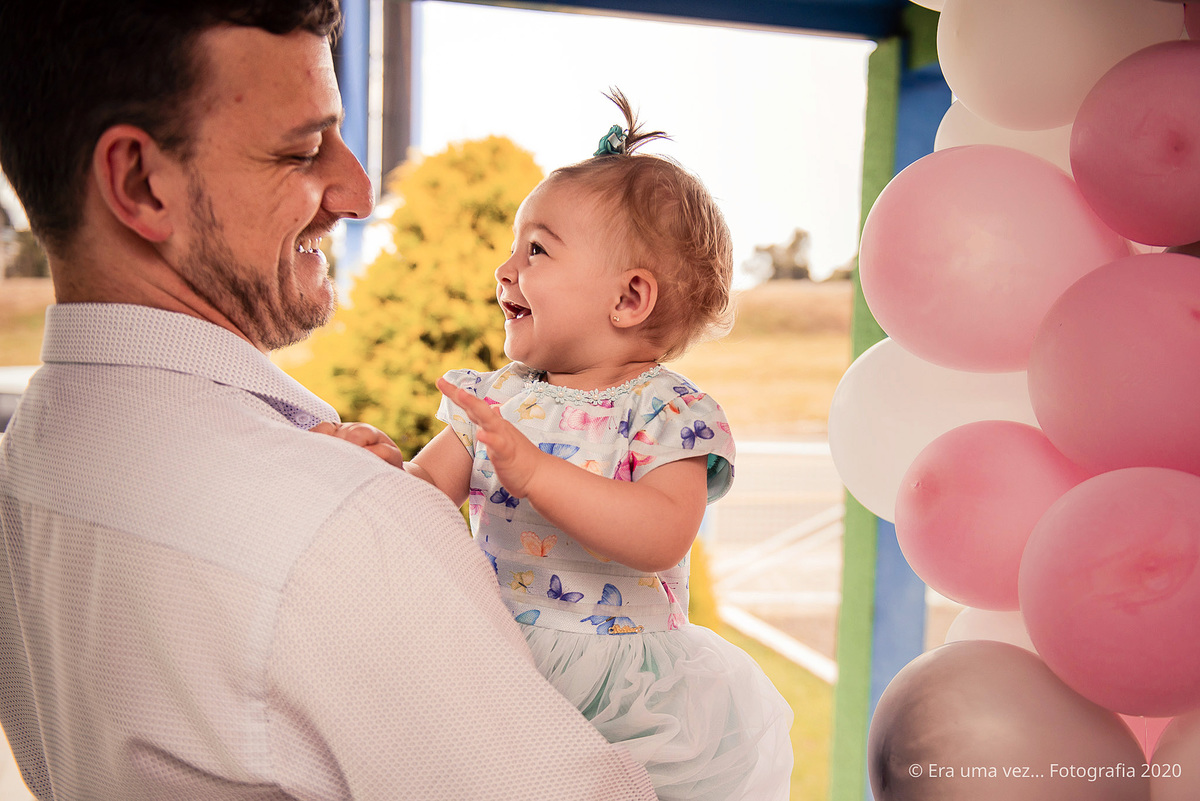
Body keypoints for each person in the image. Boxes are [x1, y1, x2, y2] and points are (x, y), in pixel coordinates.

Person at [0, 3, 658, 799]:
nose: (358, 190)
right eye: (303, 149)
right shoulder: (343, 529)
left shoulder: (22, 471)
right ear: (140, 182)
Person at [384, 91, 794, 799]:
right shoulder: (496, 399)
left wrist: (536, 472)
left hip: (624, 698)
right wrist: (373, 466)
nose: (504, 269)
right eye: (514, 248)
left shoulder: (668, 412)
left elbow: (661, 534)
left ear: (629, 299)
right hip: (499, 662)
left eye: (536, 250)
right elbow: (417, 498)